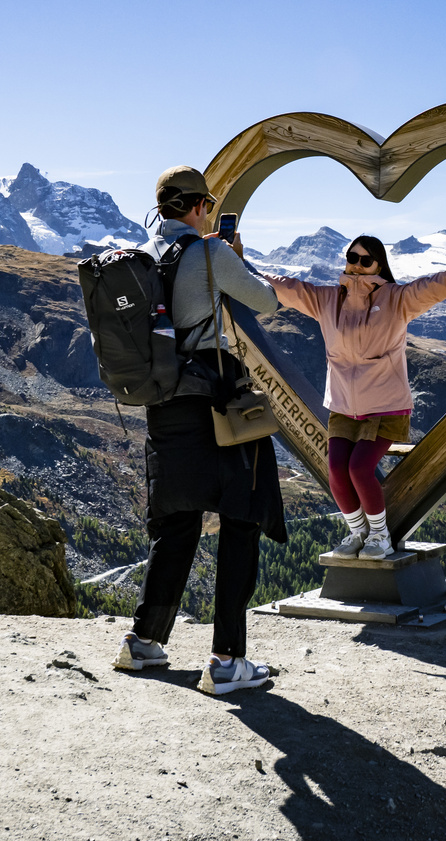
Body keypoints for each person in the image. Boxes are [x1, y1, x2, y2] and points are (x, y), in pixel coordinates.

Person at [112, 166, 286, 696]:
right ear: (199, 207)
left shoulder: (140, 258)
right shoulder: (210, 253)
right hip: (214, 400)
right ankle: (228, 661)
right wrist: (233, 253)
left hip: (163, 403)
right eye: (207, 204)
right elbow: (266, 302)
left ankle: (143, 642)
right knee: (240, 516)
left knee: (177, 521)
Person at [262, 235, 446, 559]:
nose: (357, 265)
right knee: (336, 469)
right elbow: (286, 287)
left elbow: (434, 285)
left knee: (360, 468)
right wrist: (238, 266)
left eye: (366, 260)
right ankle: (357, 532)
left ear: (379, 265)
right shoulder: (327, 300)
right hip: (343, 405)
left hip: (386, 405)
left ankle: (380, 536)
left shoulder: (397, 299)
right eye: (353, 257)